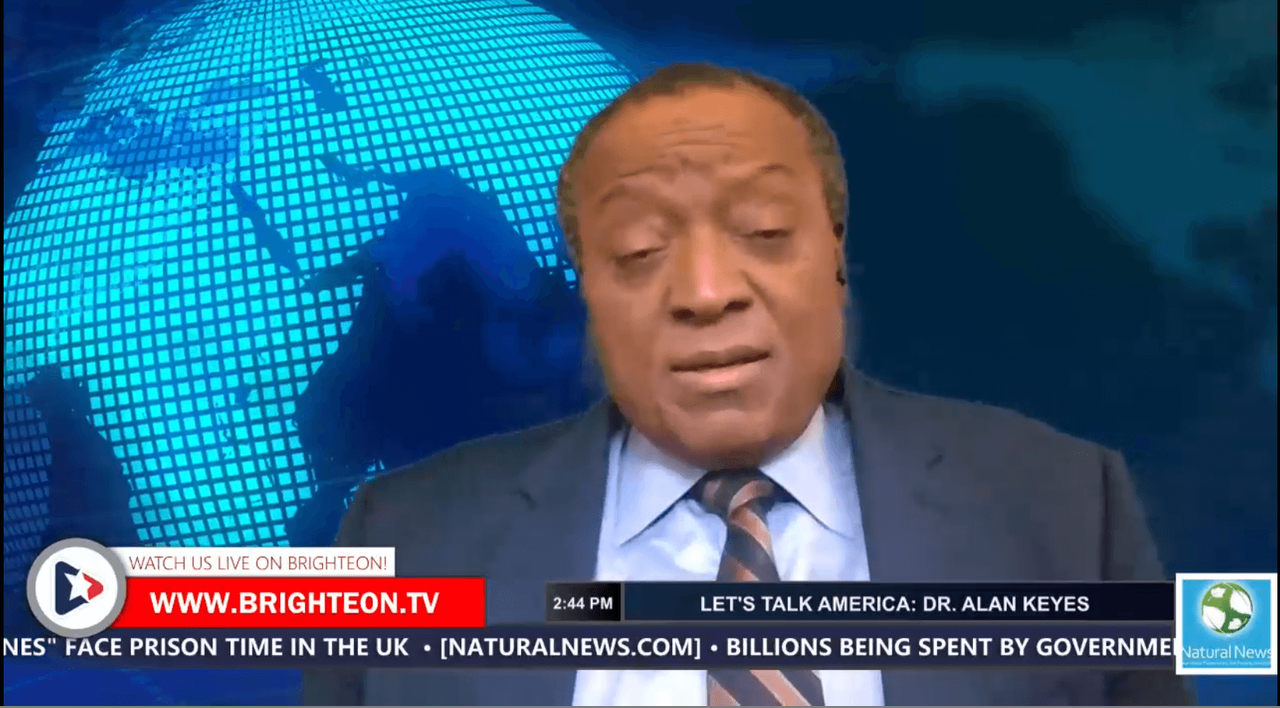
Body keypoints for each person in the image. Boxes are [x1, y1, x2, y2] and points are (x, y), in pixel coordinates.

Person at [303, 63, 1195, 706]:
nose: (705, 292)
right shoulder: (406, 537)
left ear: (837, 253)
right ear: (588, 290)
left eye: (764, 232)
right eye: (640, 250)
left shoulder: (1065, 504)